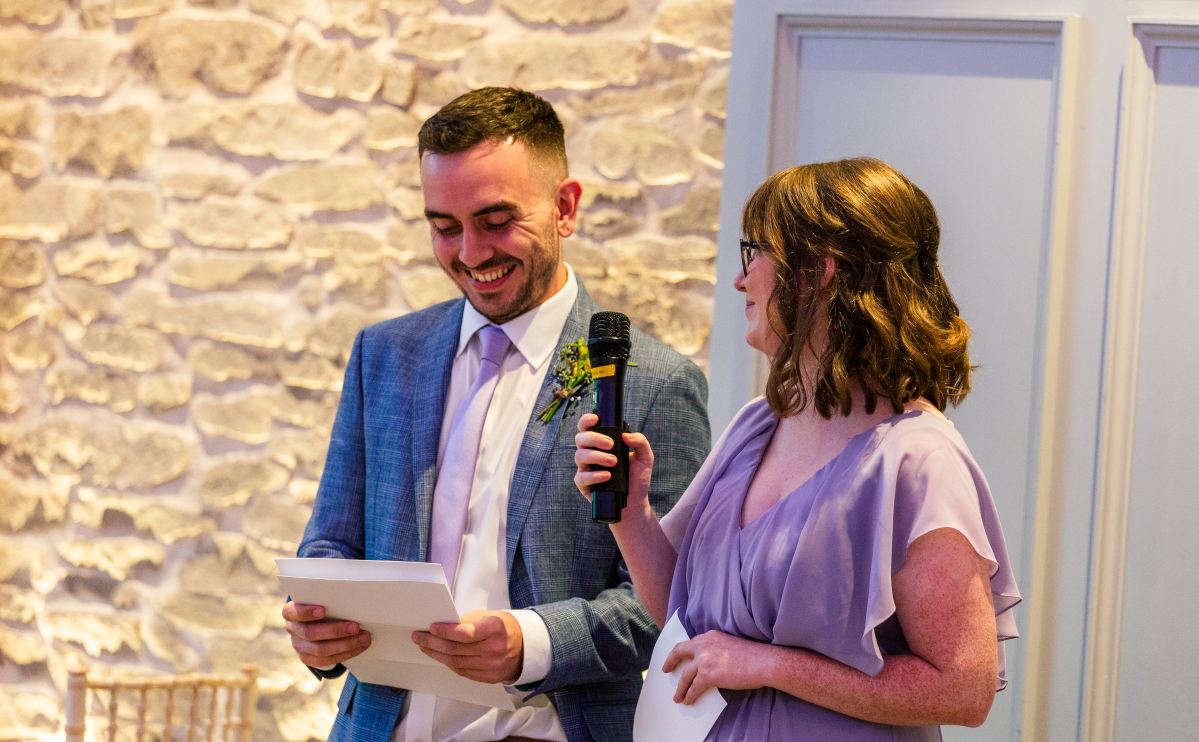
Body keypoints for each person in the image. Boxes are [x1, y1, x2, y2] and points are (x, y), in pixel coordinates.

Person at [283, 87, 711, 742]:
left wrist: (531, 642)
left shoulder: (653, 383)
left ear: (565, 207)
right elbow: (331, 542)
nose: (471, 253)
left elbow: (674, 605)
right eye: (444, 227)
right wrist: (319, 625)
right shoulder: (384, 355)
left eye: (496, 220)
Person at [575, 157, 1021, 741]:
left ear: (819, 269)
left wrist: (770, 666)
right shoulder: (756, 426)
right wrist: (631, 512)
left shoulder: (917, 460)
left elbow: (962, 689)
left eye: (755, 252)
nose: (740, 280)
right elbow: (685, 624)